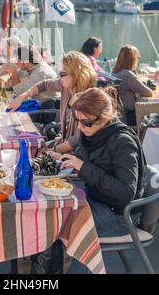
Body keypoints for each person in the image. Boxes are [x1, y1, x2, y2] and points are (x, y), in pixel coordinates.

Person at [60, 87, 147, 237]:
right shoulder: (94, 134)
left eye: (85, 122)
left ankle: (49, 259)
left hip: (119, 217)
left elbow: (125, 192)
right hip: (98, 199)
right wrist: (64, 159)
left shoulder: (122, 142)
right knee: (56, 205)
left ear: (104, 117)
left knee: (58, 219)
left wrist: (82, 167)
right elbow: (96, 165)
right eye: (77, 120)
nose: (80, 127)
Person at [9, 51, 96, 153]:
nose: (60, 78)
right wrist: (23, 96)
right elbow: (44, 85)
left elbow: (75, 141)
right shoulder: (65, 85)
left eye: (62, 74)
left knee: (28, 151)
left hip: (75, 153)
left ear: (76, 75)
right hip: (62, 142)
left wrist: (50, 151)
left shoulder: (87, 100)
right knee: (24, 149)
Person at [112, 44, 152, 126]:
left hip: (119, 114)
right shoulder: (127, 74)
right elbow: (149, 93)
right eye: (138, 57)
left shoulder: (115, 72)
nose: (138, 60)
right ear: (133, 59)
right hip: (129, 115)